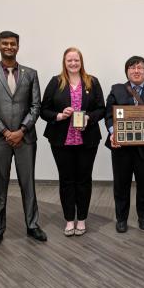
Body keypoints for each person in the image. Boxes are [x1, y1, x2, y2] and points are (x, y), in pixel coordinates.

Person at [0, 30, 46, 251]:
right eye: (5, 43)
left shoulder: (31, 73)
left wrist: (22, 130)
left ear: (18, 46)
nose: (9, 46)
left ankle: (32, 225)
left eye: (13, 43)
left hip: (26, 139)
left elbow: (36, 105)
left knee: (29, 184)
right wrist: (6, 132)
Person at [40, 47, 105, 236]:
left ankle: (82, 219)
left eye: (76, 60)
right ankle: (69, 220)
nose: (73, 63)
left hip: (87, 140)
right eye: (70, 60)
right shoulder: (56, 82)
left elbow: (101, 108)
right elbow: (44, 110)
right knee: (66, 180)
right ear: (64, 62)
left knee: (84, 180)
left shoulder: (92, 82)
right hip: (61, 141)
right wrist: (59, 115)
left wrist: (89, 118)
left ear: (81, 61)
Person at [105, 56, 144, 233]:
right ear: (127, 71)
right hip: (120, 148)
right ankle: (121, 219)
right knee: (121, 184)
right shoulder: (116, 89)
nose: (136, 71)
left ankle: (143, 217)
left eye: (140, 68)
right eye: (132, 68)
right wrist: (113, 133)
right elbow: (109, 114)